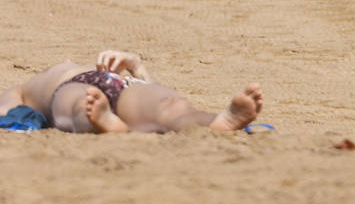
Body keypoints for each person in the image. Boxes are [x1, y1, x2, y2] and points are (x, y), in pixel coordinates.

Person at [0, 50, 263, 134]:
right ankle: (100, 121)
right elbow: (7, 112)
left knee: (171, 105)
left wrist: (136, 65)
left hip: (120, 82)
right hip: (70, 88)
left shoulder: (32, 83)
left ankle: (216, 121)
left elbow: (150, 85)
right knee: (79, 104)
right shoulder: (21, 89)